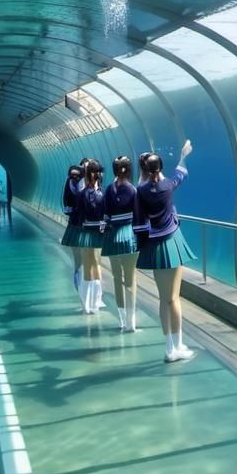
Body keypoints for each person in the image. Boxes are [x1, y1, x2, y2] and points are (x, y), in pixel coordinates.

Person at [136, 140, 196, 362]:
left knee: (163, 299)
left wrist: (142, 246)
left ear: (144, 170)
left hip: (154, 247)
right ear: (160, 168)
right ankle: (179, 346)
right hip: (172, 243)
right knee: (174, 298)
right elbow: (180, 174)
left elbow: (139, 223)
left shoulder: (140, 191)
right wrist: (183, 155)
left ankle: (169, 348)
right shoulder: (168, 185)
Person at [102, 156, 141, 332]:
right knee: (130, 279)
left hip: (112, 237)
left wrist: (104, 231)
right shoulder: (133, 190)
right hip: (129, 236)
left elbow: (105, 215)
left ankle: (122, 320)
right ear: (129, 170)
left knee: (117, 278)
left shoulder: (109, 190)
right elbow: (139, 216)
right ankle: (131, 323)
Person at [76, 161, 107, 314]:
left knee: (87, 267)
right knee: (97, 266)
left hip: (86, 232)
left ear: (87, 175)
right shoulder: (103, 194)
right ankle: (96, 303)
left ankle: (86, 304)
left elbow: (79, 215)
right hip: (98, 233)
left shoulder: (82, 194)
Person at [60, 163, 85, 296]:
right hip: (78, 225)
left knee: (81, 259)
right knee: (80, 259)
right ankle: (80, 284)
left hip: (78, 225)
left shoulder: (72, 183)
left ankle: (82, 284)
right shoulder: (78, 185)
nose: (75, 177)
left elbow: (66, 205)